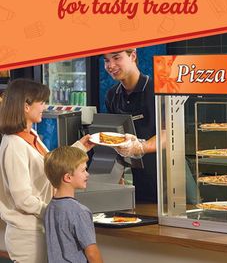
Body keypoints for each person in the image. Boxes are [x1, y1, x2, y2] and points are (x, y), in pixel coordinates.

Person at [0, 78, 93, 263]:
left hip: (40, 229)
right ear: (26, 106)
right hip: (27, 236)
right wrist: (57, 213)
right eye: (41, 102)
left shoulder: (30, 135)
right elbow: (23, 199)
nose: (44, 106)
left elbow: (51, 166)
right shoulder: (13, 144)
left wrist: (79, 148)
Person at [103, 48, 157, 203]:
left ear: (133, 56)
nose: (110, 65)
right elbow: (116, 135)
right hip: (137, 178)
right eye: (106, 60)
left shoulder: (157, 89)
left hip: (166, 176)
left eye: (116, 58)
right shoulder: (112, 95)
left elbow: (171, 134)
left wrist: (141, 147)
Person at [44, 146, 103, 263]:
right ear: (68, 177)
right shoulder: (79, 211)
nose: (87, 174)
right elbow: (92, 253)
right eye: (83, 170)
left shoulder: (50, 208)